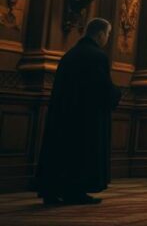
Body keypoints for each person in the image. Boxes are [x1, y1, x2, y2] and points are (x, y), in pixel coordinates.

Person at [34, 18, 122, 205]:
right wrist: (117, 94)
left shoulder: (71, 54)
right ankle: (76, 191)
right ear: (100, 34)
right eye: (107, 34)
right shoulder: (97, 56)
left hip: (64, 114)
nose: (107, 38)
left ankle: (54, 191)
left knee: (61, 153)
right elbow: (102, 87)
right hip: (86, 118)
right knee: (82, 154)